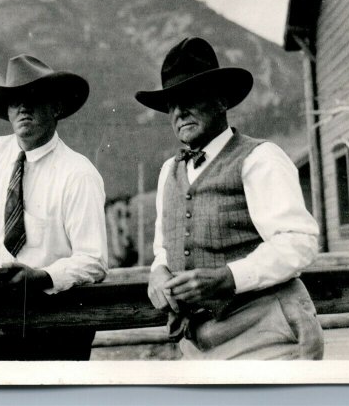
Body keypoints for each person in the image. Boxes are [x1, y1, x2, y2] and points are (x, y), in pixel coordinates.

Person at [136, 37, 324, 360]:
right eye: (171, 103)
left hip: (269, 331)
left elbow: (299, 242)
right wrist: (158, 271)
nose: (179, 112)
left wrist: (228, 277)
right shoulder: (169, 171)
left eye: (190, 97)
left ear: (221, 100)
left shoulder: (260, 158)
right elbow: (163, 249)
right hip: (197, 344)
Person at [0, 54, 109, 360]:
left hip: (58, 324)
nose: (23, 107)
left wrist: (43, 277)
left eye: (34, 97)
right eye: (14, 99)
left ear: (57, 107)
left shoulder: (78, 173)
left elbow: (93, 260)